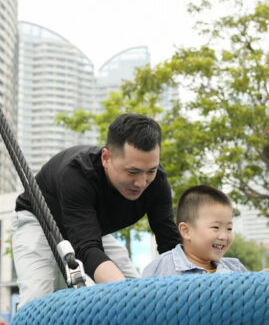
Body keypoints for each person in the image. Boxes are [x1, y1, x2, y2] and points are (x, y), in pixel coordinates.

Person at [12, 113, 181, 306]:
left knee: (135, 285)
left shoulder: (157, 182)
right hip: (38, 221)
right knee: (36, 297)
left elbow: (170, 244)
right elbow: (86, 247)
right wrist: (128, 297)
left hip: (89, 229)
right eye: (132, 171)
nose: (142, 182)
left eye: (150, 170)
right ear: (106, 158)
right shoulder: (76, 175)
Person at [142, 185, 247, 277]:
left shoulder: (235, 269)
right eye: (216, 227)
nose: (224, 236)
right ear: (186, 231)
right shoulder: (161, 268)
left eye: (229, 228)